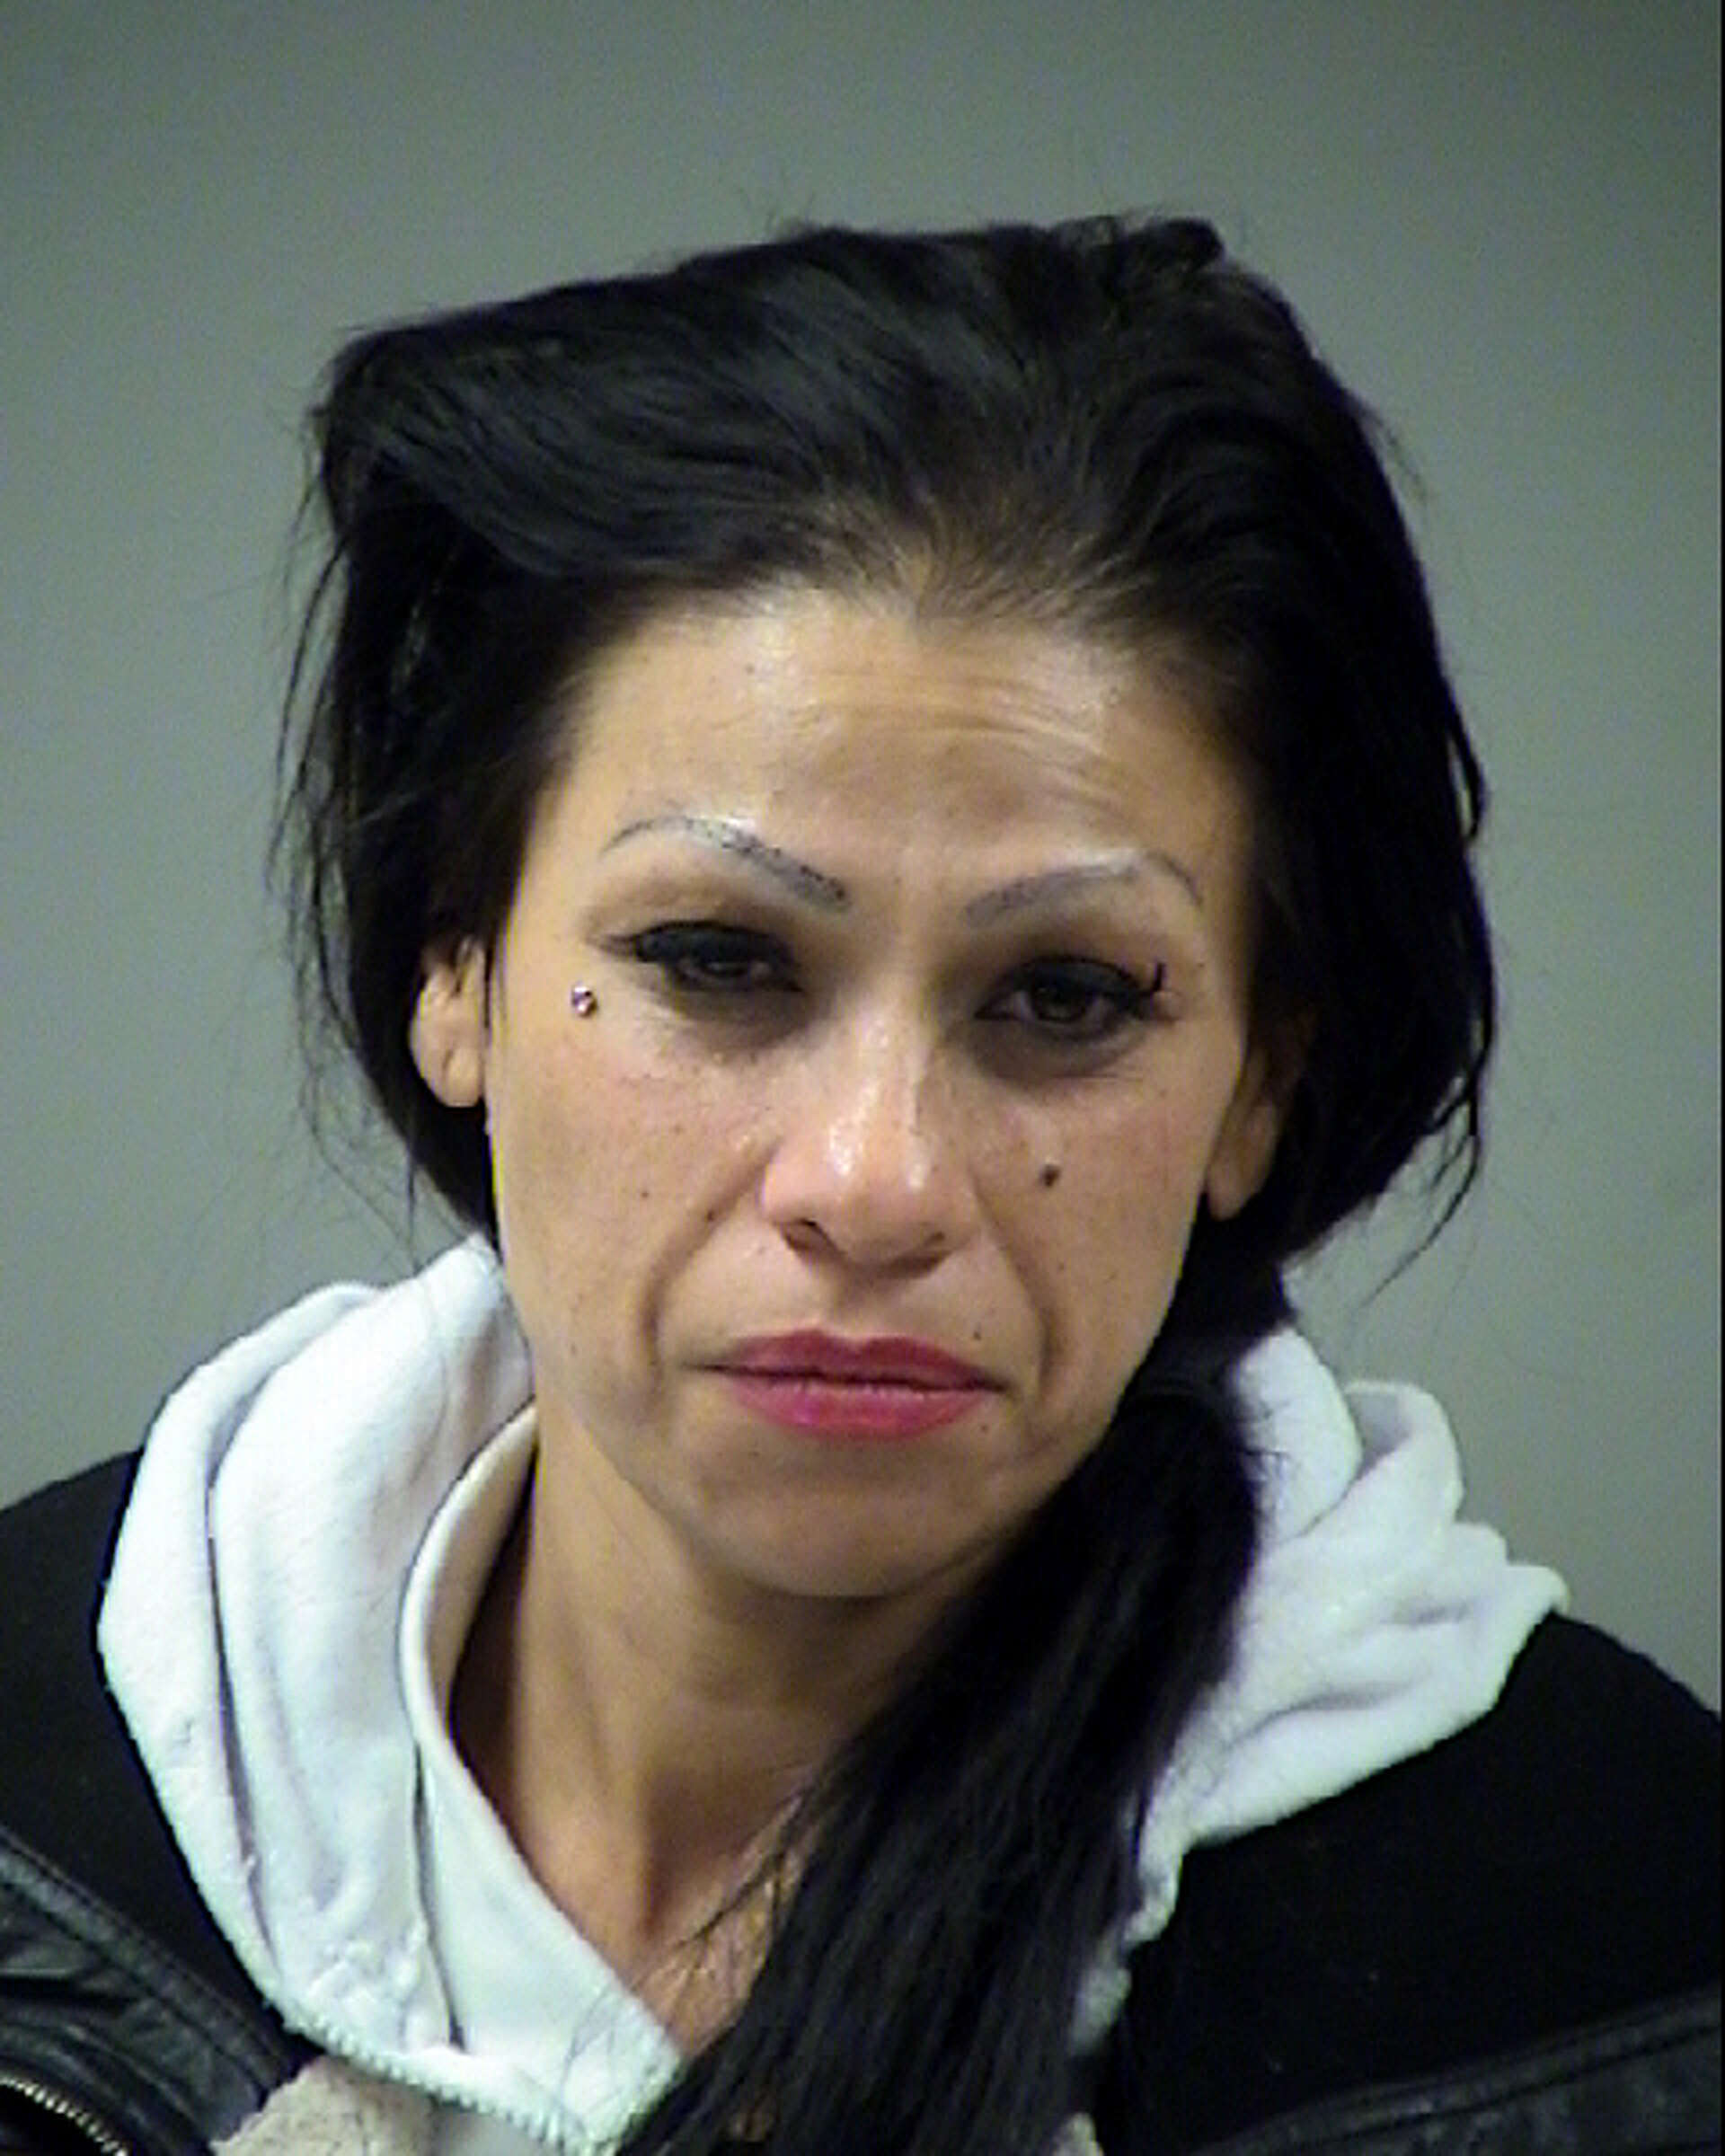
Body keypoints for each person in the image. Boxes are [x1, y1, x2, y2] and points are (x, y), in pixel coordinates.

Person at [0, 216, 1716, 2156]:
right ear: (454, 970)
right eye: (719, 960)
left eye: (1067, 996)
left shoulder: (1631, 1964)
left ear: (1261, 1083)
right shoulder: (41, 1780)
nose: (877, 1184)